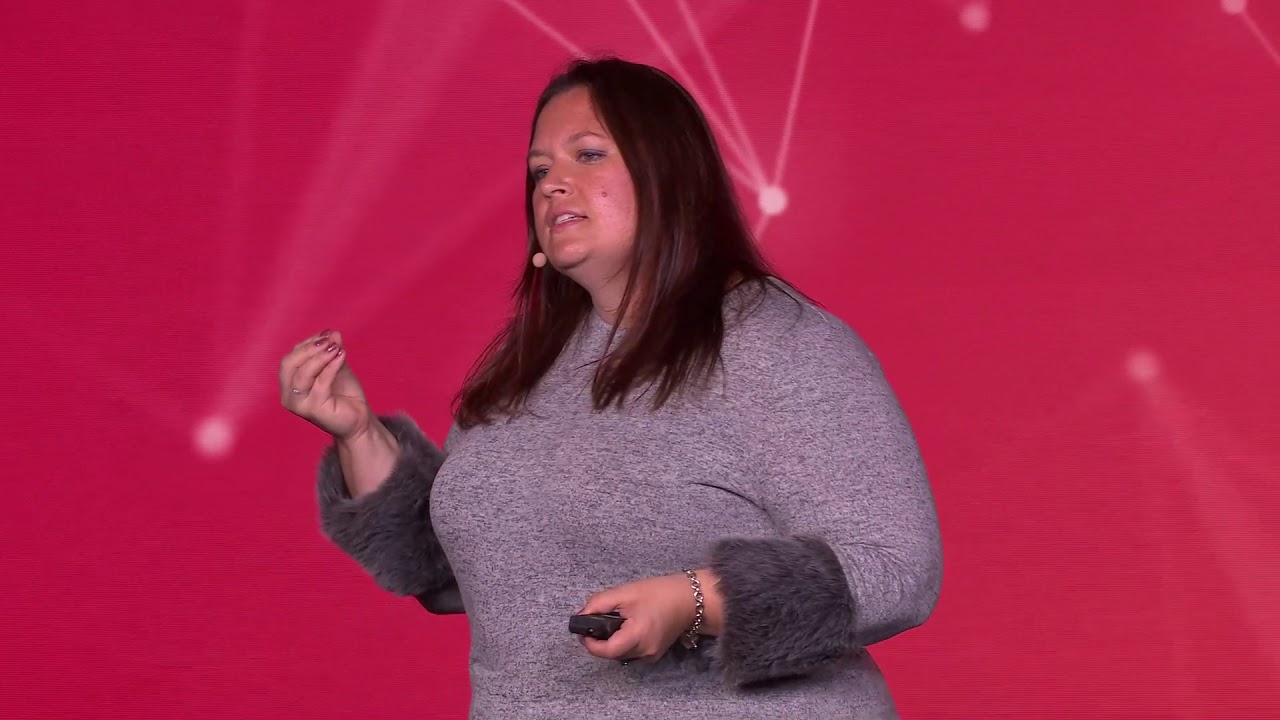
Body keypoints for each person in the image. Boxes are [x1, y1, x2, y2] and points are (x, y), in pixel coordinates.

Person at [280, 56, 942, 719]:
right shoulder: (522, 364)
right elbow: (466, 575)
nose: (552, 184)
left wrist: (694, 601)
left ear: (669, 174)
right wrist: (359, 436)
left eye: (588, 154)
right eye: (540, 170)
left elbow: (897, 569)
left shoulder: (778, 343)